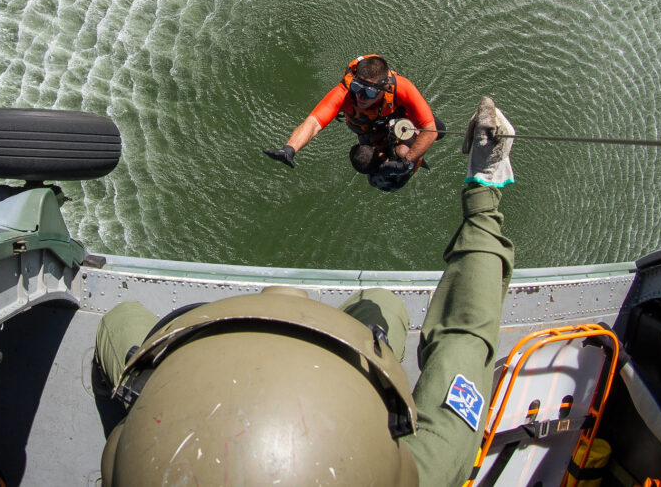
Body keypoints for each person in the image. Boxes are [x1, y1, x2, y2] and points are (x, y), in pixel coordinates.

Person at [95, 97, 517, 486]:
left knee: (120, 318)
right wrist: (483, 186)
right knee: (382, 304)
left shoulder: (372, 111)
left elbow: (463, 352)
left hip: (194, 375)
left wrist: (483, 190)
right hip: (226, 367)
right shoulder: (376, 115)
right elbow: (464, 342)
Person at [263, 54, 452, 192]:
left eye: (369, 92)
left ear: (384, 87)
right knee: (380, 176)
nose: (360, 97)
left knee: (438, 131)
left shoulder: (402, 87)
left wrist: (407, 162)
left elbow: (431, 131)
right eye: (357, 88)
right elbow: (313, 122)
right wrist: (290, 148)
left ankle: (409, 157)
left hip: (396, 120)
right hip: (370, 130)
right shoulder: (344, 93)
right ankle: (395, 160)